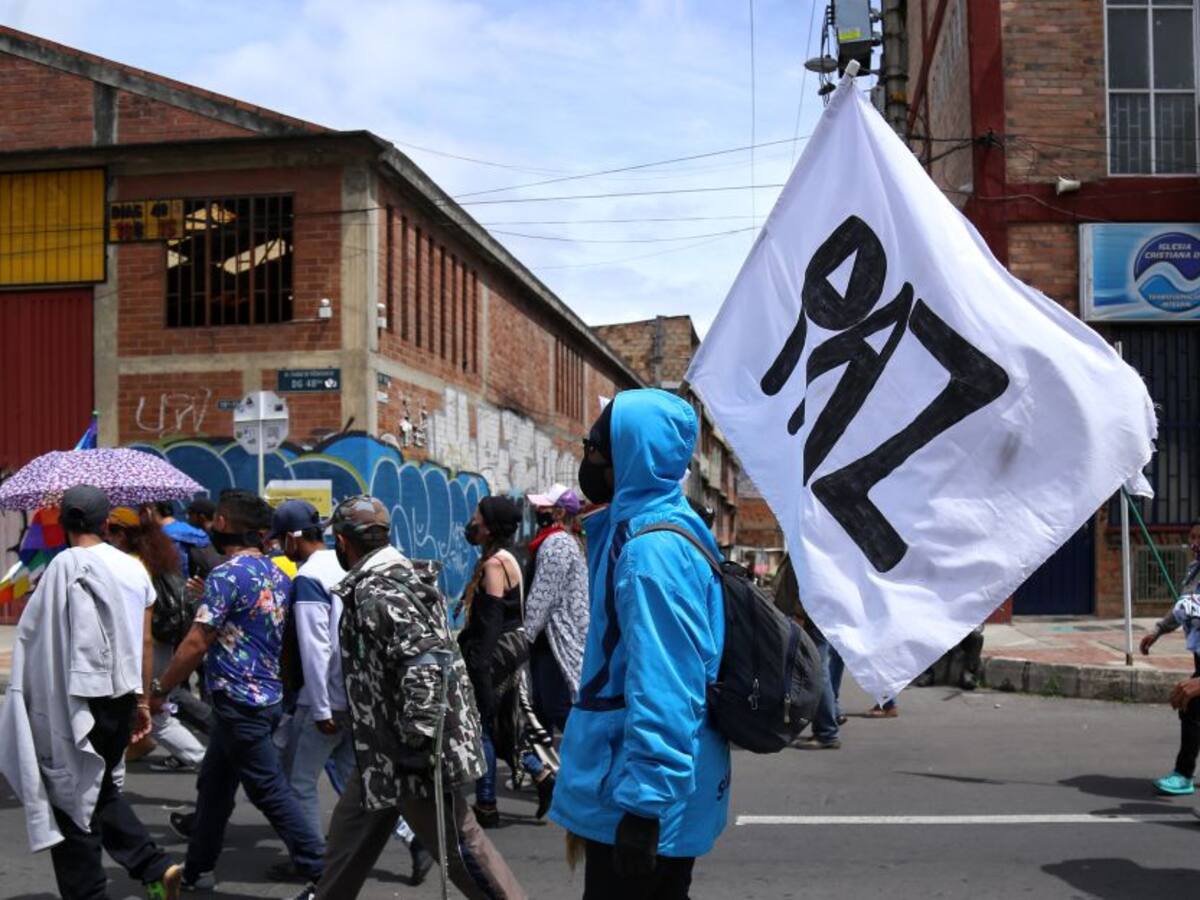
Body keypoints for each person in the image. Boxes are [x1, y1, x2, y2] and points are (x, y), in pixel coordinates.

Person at [297, 495, 525, 899]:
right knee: (347, 841)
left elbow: (422, 661)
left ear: (344, 542)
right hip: (382, 749)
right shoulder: (395, 576)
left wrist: (419, 744)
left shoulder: (379, 590)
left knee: (464, 850)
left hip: (409, 753)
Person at [550, 390, 730, 900]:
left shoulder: (650, 552)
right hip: (632, 786)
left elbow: (667, 684)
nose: (586, 455)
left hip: (638, 796)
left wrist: (644, 808)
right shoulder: (649, 529)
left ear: (629, 452)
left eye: (594, 444)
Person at [0, 485, 182, 899]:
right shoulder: (134, 569)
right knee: (99, 789)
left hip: (74, 702)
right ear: (105, 523)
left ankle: (89, 893)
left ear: (64, 524)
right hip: (120, 697)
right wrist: (141, 701)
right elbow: (145, 642)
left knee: (69, 797)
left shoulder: (60, 570)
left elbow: (37, 646)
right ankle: (153, 865)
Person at [150, 489, 324, 891]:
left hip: (239, 700)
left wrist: (160, 688)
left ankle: (322, 871)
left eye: (215, 520)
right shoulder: (278, 574)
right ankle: (197, 871)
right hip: (264, 697)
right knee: (214, 788)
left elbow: (196, 642)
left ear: (224, 524)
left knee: (269, 791)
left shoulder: (227, 575)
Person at [272, 499, 434, 884]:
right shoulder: (342, 564)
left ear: (293, 539)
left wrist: (322, 708)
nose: (280, 549)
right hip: (361, 697)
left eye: (281, 541)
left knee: (301, 783)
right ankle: (414, 839)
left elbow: (316, 646)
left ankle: (314, 866)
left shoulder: (309, 576)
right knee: (352, 778)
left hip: (327, 699)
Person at [460, 495, 554, 826]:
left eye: (477, 518)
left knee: (484, 726)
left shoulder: (494, 566)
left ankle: (486, 804)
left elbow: (491, 620)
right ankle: (542, 776)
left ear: (489, 526)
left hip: (496, 651)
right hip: (511, 648)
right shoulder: (508, 557)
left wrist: (479, 669)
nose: (472, 523)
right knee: (505, 726)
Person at [106, 507, 207, 773]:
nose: (108, 537)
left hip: (147, 646)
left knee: (153, 707)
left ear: (124, 535)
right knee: (156, 704)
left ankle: (200, 757)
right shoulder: (153, 558)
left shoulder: (131, 566)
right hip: (162, 643)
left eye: (112, 531)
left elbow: (140, 630)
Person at [523, 483, 589, 737]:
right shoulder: (561, 541)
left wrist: (524, 636)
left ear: (559, 512)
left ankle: (587, 756)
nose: (538, 509)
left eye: (544, 505)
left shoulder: (557, 544)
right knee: (540, 711)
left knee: (556, 707)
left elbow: (543, 595)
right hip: (549, 640)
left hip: (556, 641)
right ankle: (542, 770)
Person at [773, 556, 845, 749]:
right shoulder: (810, 542)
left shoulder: (808, 545)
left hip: (810, 618)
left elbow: (810, 581)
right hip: (812, 617)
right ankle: (828, 725)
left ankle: (827, 732)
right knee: (817, 672)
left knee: (818, 673)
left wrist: (799, 613)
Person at [1143, 592, 1200, 795]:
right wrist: (1158, 630)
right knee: (1191, 707)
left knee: (1192, 707)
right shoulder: (1195, 574)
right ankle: (1183, 773)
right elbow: (1185, 607)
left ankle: (1184, 774)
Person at [144, 500, 221, 582]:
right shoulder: (199, 533)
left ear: (150, 512)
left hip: (172, 589)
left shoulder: (159, 538)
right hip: (199, 587)